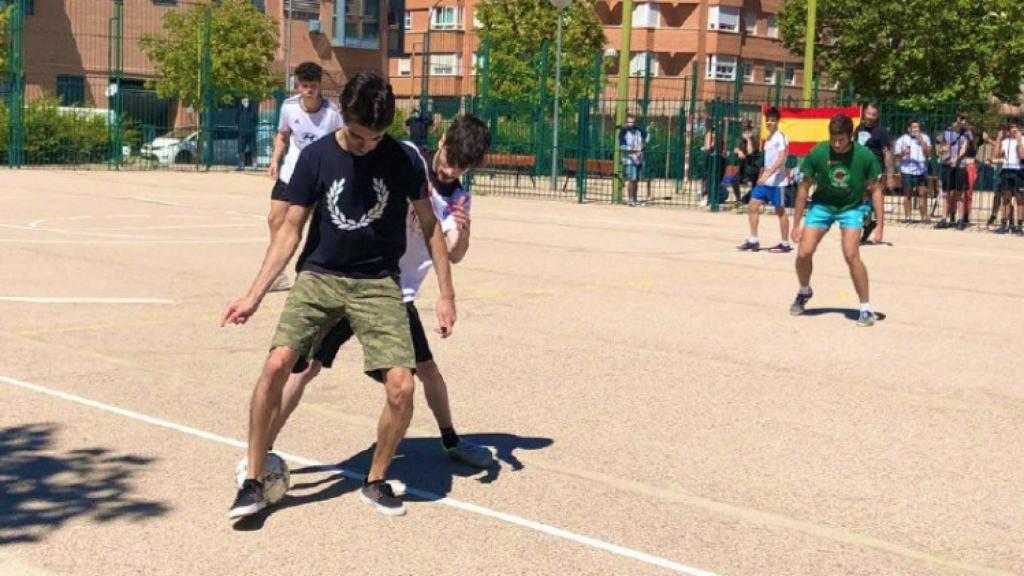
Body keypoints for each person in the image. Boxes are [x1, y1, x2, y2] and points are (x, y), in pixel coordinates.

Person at [223, 72, 456, 519]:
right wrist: (254, 295)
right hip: (320, 275)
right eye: (360, 135)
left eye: (377, 136)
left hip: (377, 284)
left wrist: (446, 294)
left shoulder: (403, 160)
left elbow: (429, 226)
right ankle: (253, 481)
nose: (369, 144)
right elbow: (289, 229)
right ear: (343, 119)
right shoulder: (316, 157)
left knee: (402, 386)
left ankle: (376, 479)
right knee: (277, 364)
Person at [266, 115, 495, 474]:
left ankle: (450, 439)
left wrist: (463, 234)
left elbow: (452, 252)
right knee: (305, 367)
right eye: (449, 159)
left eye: (461, 167)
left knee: (427, 371)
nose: (450, 170)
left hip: (393, 295)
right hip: (352, 275)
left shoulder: (459, 199)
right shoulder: (405, 160)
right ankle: (263, 448)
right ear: (444, 137)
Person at [790, 113, 883, 327]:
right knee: (804, 252)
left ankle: (866, 309)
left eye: (841, 140)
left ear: (851, 137)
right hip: (822, 205)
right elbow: (804, 188)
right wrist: (796, 224)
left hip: (851, 207)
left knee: (851, 254)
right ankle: (804, 291)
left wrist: (880, 226)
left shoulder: (865, 156)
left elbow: (876, 190)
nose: (837, 144)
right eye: (834, 139)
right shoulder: (818, 152)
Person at [266, 62, 345, 291]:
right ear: (298, 85)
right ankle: (278, 272)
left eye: (313, 85)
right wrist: (275, 161)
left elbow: (341, 140)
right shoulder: (289, 107)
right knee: (275, 219)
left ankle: (318, 274)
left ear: (320, 86)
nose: (309, 90)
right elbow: (282, 136)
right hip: (292, 171)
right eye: (304, 85)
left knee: (318, 226)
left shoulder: (331, 113)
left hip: (320, 175)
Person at [738, 107, 790, 252]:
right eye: (768, 120)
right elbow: (767, 159)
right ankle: (753, 240)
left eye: (773, 120)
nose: (769, 122)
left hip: (777, 182)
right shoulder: (768, 138)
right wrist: (762, 174)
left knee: (780, 211)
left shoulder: (782, 137)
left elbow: (781, 159)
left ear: (778, 121)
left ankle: (785, 243)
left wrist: (769, 173)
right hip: (765, 181)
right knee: (752, 205)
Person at [853, 102, 893, 243]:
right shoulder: (858, 128)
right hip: (859, 169)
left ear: (877, 116)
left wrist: (889, 174)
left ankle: (879, 228)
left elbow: (887, 153)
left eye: (873, 114)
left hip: (875, 169)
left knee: (877, 200)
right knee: (859, 200)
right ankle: (867, 224)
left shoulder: (881, 132)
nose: (870, 117)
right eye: (868, 113)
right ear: (864, 112)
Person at [937, 113, 973, 230]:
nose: (961, 121)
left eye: (963, 119)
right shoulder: (945, 132)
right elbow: (938, 149)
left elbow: (965, 147)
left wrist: (956, 158)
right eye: (959, 118)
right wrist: (943, 150)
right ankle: (944, 218)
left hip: (960, 165)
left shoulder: (966, 133)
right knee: (946, 193)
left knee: (959, 193)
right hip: (946, 164)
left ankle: (960, 219)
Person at [893, 120, 933, 223]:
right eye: (914, 127)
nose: (916, 129)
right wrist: (903, 153)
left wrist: (922, 141)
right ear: (909, 129)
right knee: (908, 194)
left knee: (923, 193)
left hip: (922, 170)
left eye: (918, 127)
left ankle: (924, 217)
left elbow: (928, 153)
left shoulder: (925, 137)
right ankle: (908, 217)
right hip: (907, 170)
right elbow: (896, 156)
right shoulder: (902, 140)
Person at [995, 120, 1024, 235]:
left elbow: (1022, 155)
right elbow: (997, 154)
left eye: (1015, 127)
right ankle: (1004, 224)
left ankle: (1019, 226)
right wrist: (998, 139)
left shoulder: (1022, 140)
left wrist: (1018, 140)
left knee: (1020, 200)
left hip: (1019, 171)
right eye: (1011, 127)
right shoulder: (1006, 141)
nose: (1013, 130)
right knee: (1006, 199)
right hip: (1006, 170)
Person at [619, 114, 649, 207]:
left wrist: (643, 146)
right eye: (629, 122)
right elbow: (622, 146)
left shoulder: (639, 130)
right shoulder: (623, 132)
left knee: (636, 180)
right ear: (626, 122)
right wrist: (634, 149)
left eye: (632, 121)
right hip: (629, 159)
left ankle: (635, 199)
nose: (631, 123)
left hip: (639, 158)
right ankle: (630, 199)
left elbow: (648, 136)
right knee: (632, 178)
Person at [236, 97, 258, 171]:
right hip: (242, 132)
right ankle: (241, 165)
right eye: (244, 101)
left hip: (251, 132)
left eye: (247, 101)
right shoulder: (240, 112)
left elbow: (256, 121)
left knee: (253, 149)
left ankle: (254, 165)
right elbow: (236, 121)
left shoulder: (252, 112)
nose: (246, 103)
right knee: (241, 149)